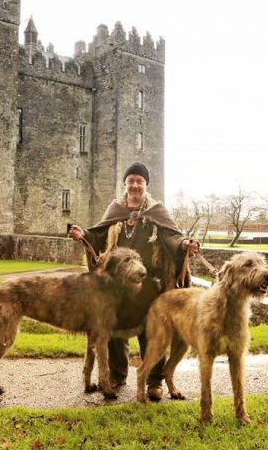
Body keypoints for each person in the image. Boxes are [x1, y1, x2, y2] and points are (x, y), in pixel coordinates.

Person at [69, 162, 199, 400]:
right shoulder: (116, 209)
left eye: (140, 181)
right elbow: (98, 233)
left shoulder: (157, 211)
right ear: (125, 184)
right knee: (114, 328)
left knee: (153, 332)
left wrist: (184, 244)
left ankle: (154, 381)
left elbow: (172, 236)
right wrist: (83, 234)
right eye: (131, 181)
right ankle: (118, 376)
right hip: (119, 288)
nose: (135, 185)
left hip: (150, 286)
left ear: (146, 185)